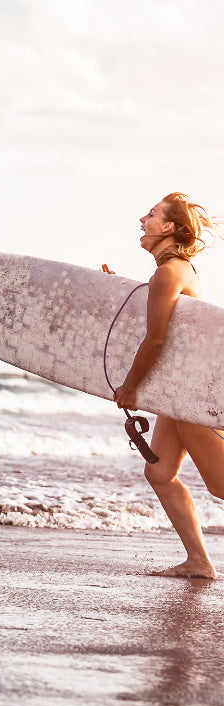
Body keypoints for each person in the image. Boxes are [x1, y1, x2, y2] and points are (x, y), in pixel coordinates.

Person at [109, 193, 222, 579]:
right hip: (182, 393)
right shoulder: (179, 270)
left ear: (169, 228)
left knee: (223, 487)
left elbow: (156, 339)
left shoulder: (168, 272)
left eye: (152, 215)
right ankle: (199, 562)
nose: (143, 219)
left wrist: (129, 388)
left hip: (191, 398)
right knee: (160, 473)